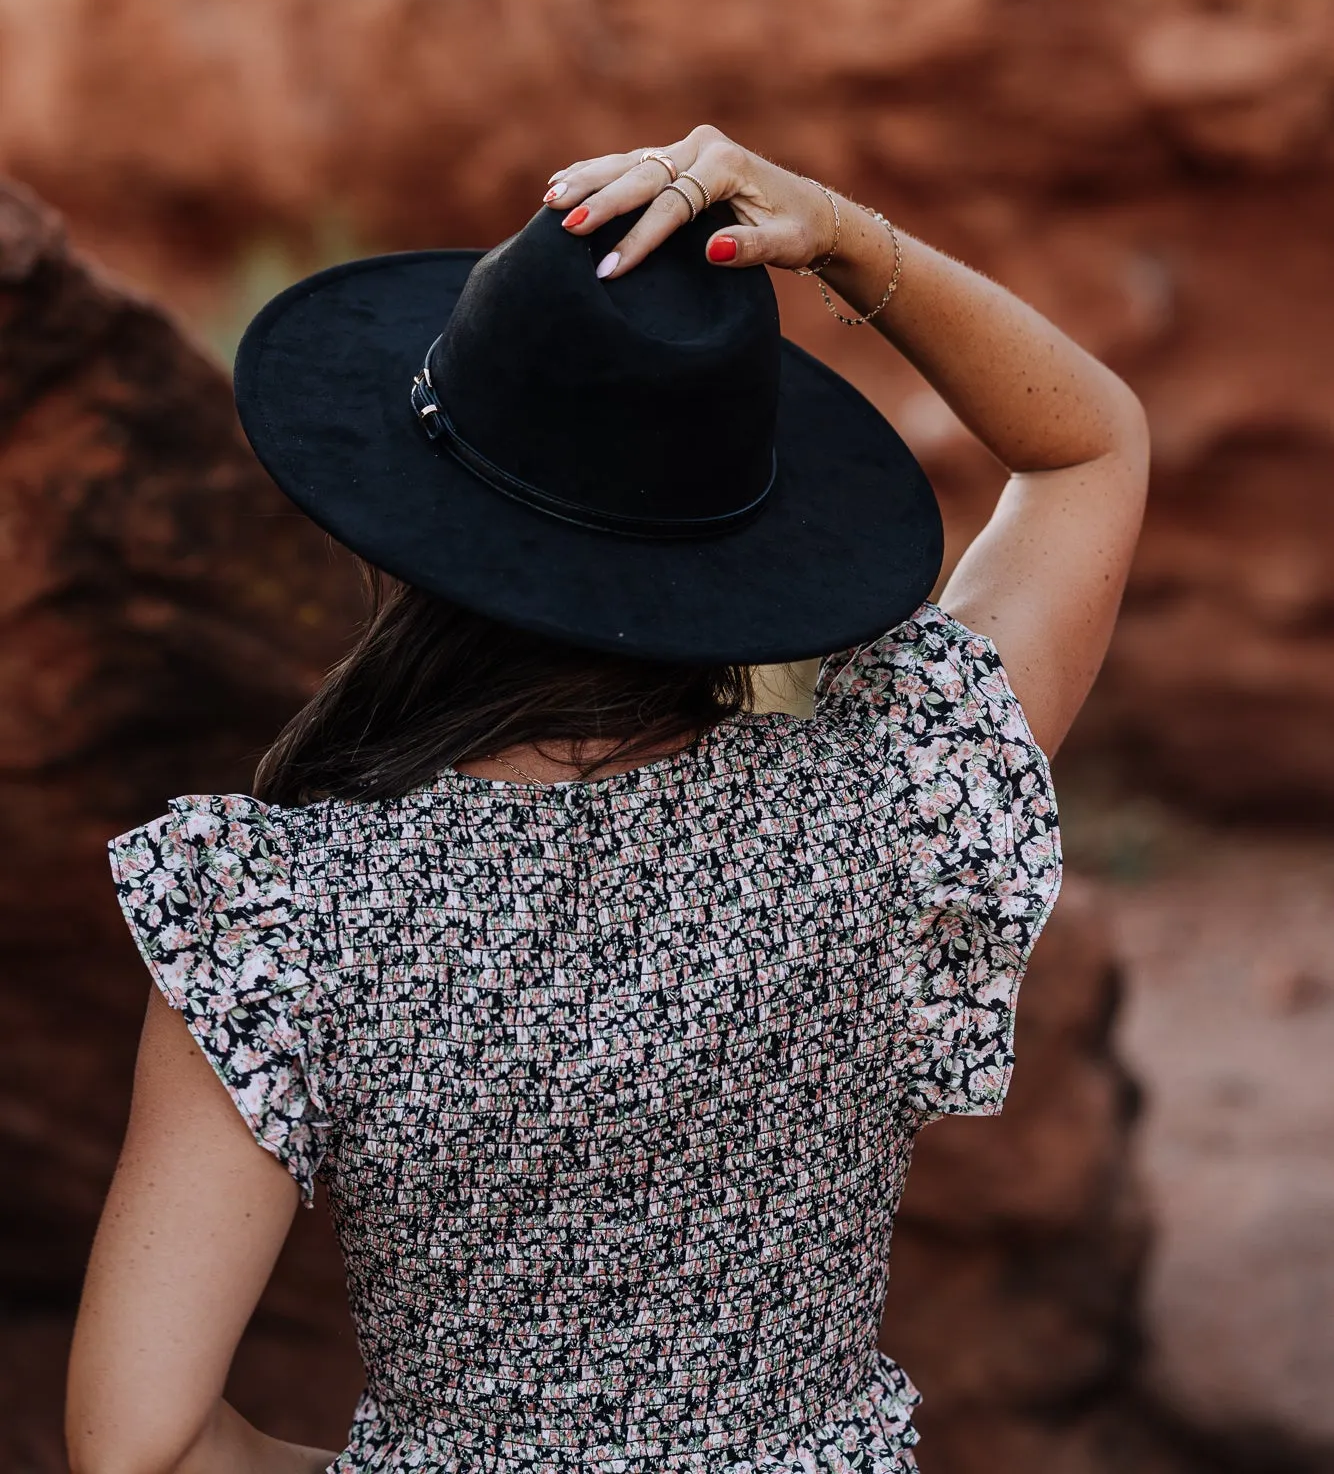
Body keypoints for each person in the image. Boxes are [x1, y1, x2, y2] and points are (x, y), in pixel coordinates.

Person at [67, 129, 1149, 1474]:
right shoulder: (899, 791)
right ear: (743, 537)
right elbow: (1087, 448)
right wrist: (843, 239)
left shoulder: (272, 923)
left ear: (410, 521)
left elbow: (143, 1449)